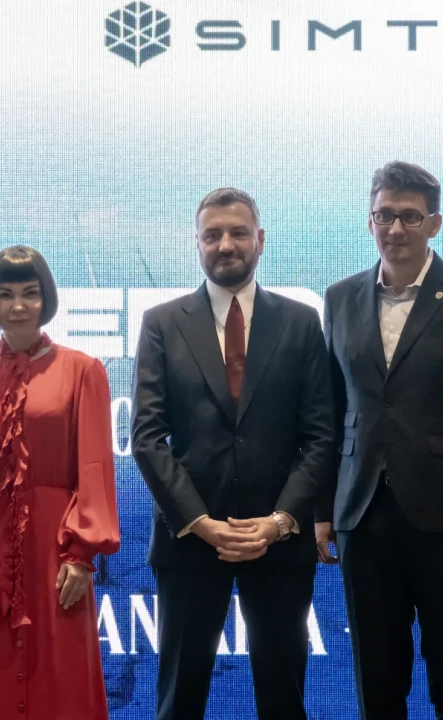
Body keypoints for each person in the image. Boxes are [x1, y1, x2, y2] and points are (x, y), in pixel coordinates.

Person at [317, 161, 443, 719]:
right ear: (369, 221)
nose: (395, 228)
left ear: (434, 224)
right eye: (385, 215)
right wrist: (321, 510)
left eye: (410, 216)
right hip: (362, 515)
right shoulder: (339, 298)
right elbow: (329, 414)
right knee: (376, 680)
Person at [132, 189, 334, 720]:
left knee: (284, 699)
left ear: (260, 240)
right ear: (197, 244)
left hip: (279, 541)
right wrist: (199, 523)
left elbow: (320, 436)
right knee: (179, 699)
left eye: (238, 233)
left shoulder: (301, 322)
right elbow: (147, 436)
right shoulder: (162, 322)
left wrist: (280, 521)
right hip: (190, 541)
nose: (226, 244)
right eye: (213, 235)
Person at [0, 245, 121, 720]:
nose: (18, 306)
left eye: (29, 293)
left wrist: (81, 553)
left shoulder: (83, 370)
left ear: (46, 299)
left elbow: (95, 466)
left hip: (55, 547)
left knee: (60, 668)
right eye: (6, 295)